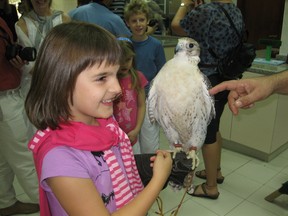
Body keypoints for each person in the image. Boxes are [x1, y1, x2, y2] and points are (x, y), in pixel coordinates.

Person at [25, 21, 172, 216]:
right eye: (102, 78)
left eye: (116, 75)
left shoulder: (104, 122)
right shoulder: (60, 158)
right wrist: (158, 180)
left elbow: (105, 167)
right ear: (61, 81)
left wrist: (143, 165)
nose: (117, 89)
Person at [171, 0, 244, 199]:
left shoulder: (207, 10)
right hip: (225, 75)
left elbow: (177, 26)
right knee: (214, 125)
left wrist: (185, 3)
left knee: (208, 133)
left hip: (206, 78)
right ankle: (216, 171)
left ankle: (211, 187)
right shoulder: (234, 10)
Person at [209, 70, 288, 203]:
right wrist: (271, 83)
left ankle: (211, 184)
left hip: (216, 82)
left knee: (211, 133)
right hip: (223, 81)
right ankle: (214, 172)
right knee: (214, 130)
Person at [0, 17, 39, 216]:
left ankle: (5, 203)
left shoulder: (2, 20)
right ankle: (54, 205)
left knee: (3, 159)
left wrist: (16, 60)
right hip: (4, 99)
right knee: (24, 157)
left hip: (10, 92)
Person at [124, 0, 166, 154]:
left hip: (149, 99)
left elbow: (162, 73)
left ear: (148, 20)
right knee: (131, 143)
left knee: (149, 143)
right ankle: (135, 175)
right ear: (127, 23)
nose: (138, 24)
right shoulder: (125, 45)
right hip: (129, 100)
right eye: (134, 21)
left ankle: (151, 174)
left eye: (141, 20)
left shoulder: (155, 45)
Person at [15, 0, 70, 96]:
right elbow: (28, 65)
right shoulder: (22, 25)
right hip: (34, 85)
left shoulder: (64, 20)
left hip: (61, 82)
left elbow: (70, 53)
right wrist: (48, 77)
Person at [113, 38, 148, 154]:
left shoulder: (137, 77)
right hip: (114, 138)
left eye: (128, 59)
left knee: (135, 166)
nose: (124, 64)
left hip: (132, 137)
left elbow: (142, 105)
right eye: (121, 60)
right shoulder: (110, 79)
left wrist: (137, 129)